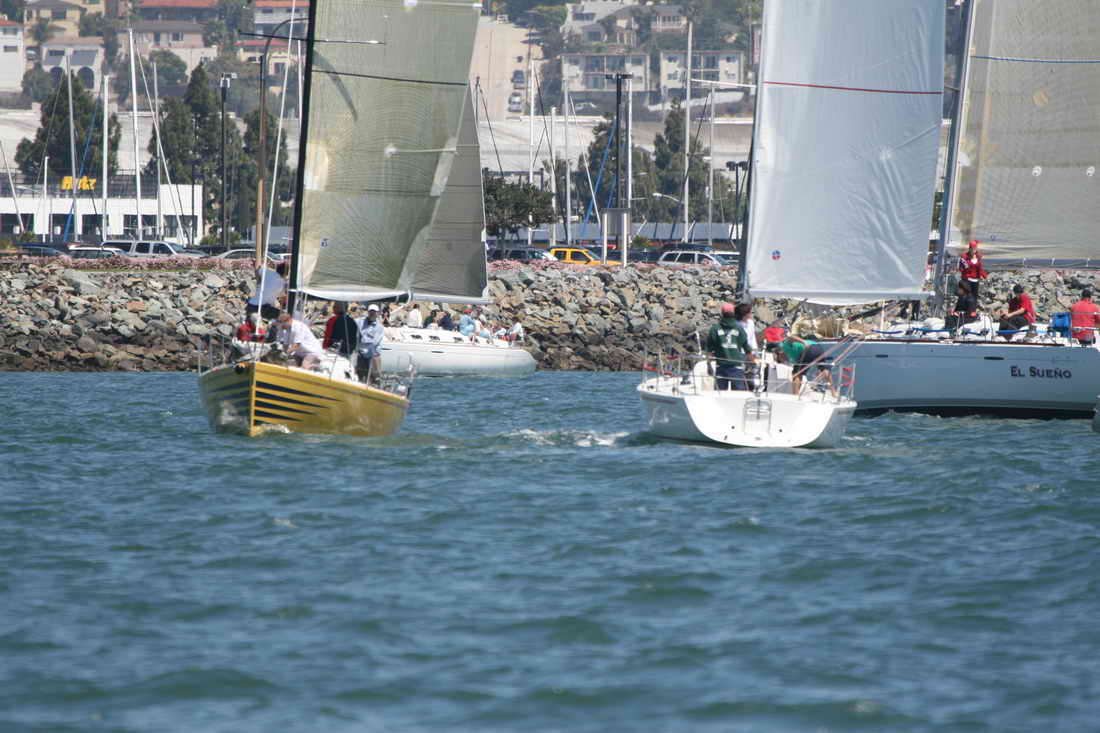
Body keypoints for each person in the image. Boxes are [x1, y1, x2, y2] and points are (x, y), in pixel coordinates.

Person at [706, 302, 754, 390]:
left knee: (719, 393)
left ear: (722, 313)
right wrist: (752, 364)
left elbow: (709, 350)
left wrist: (708, 365)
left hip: (720, 366)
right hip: (736, 366)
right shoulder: (739, 329)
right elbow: (747, 349)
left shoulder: (715, 329)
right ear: (733, 313)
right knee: (738, 394)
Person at [356, 303, 385, 383]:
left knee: (375, 378)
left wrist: (361, 339)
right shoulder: (359, 321)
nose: (372, 313)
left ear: (377, 313)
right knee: (360, 376)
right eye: (371, 312)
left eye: (374, 312)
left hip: (373, 355)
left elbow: (374, 342)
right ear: (368, 312)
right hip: (361, 353)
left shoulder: (380, 327)